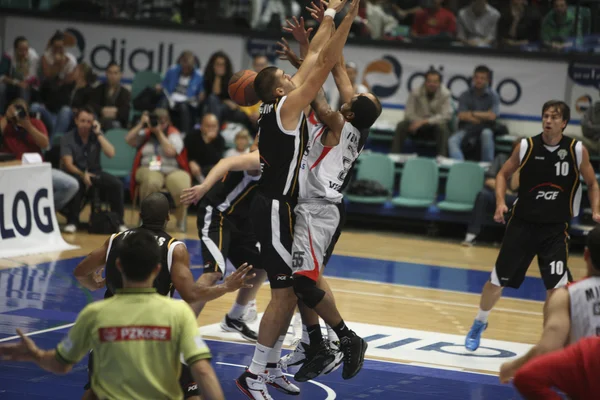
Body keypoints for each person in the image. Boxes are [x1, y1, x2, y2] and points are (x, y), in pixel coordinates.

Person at [182, 2, 364, 397]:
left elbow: (316, 56)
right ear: (280, 89)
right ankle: (262, 371)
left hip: (287, 207)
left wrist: (325, 21)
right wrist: (340, 15)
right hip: (277, 207)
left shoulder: (277, 100)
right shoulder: (288, 104)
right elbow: (327, 60)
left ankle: (273, 365)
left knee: (286, 294)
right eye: (286, 74)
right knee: (286, 292)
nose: (291, 74)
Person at [0, 229, 226, 400]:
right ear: (157, 269)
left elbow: (60, 364)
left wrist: (34, 354)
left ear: (117, 266)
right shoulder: (179, 313)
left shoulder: (95, 314)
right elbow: (204, 372)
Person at [73, 192, 254, 400]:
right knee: (192, 393)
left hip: (111, 327)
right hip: (153, 331)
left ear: (140, 214)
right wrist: (226, 287)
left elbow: (80, 272)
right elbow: (191, 295)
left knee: (96, 391)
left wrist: (95, 283)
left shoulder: (116, 240)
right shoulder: (173, 249)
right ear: (168, 216)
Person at [464, 100, 600, 352]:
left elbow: (592, 183)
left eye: (554, 117)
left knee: (557, 290)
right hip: (522, 226)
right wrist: (500, 203)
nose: (548, 120)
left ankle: (551, 341)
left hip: (555, 230)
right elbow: (503, 174)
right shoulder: (526, 145)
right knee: (496, 281)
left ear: (565, 122)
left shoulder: (576, 149)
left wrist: (596, 209)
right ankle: (479, 322)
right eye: (545, 115)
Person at [497, 225, 600, 396]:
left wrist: (512, 367)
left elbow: (547, 349)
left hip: (588, 378)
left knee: (528, 378)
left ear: (586, 255)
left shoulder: (567, 295)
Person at [0, 98, 79, 212]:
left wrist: (28, 127)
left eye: (21, 109)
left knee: (71, 185)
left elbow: (45, 144)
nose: (17, 112)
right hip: (12, 171)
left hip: (36, 170)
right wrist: (6, 117)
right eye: (15, 108)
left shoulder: (35, 123)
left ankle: (42, 211)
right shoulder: (4, 123)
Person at [60, 106, 126, 234]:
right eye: (83, 121)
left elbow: (111, 153)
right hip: (75, 172)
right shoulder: (67, 138)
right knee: (77, 183)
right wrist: (82, 174)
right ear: (76, 121)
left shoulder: (95, 136)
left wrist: (99, 133)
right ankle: (72, 222)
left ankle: (119, 222)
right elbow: (68, 164)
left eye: (89, 121)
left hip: (95, 173)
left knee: (116, 184)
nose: (85, 124)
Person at [127, 108, 191, 232]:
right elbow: (128, 140)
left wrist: (159, 133)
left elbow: (171, 151)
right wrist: (142, 124)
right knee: (151, 181)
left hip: (172, 169)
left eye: (163, 122)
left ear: (168, 121)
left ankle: (180, 218)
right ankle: (146, 218)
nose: (159, 125)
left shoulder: (174, 134)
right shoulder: (145, 133)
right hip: (149, 168)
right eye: (157, 121)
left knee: (182, 184)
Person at [391, 69, 452, 157]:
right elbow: (408, 113)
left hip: (434, 127)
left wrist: (424, 122)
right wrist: (418, 122)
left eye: (435, 82)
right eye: (429, 81)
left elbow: (446, 116)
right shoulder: (415, 92)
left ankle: (442, 159)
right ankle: (394, 156)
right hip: (416, 127)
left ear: (439, 83)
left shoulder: (445, 94)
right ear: (425, 82)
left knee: (443, 128)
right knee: (401, 125)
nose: (432, 84)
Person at [448, 65, 499, 162]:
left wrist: (471, 113)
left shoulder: (493, 96)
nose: (479, 80)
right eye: (477, 77)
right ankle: (460, 168)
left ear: (488, 80)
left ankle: (487, 168)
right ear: (473, 78)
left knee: (487, 134)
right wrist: (484, 115)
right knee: (452, 140)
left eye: (482, 78)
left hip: (485, 128)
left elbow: (492, 116)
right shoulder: (465, 94)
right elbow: (461, 116)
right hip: (467, 128)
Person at [0, 36, 39, 114]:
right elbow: (1, 76)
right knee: (1, 88)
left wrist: (24, 66)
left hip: (27, 85)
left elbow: (33, 77)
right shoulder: (8, 55)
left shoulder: (33, 56)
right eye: (21, 50)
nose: (24, 53)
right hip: (11, 84)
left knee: (23, 88)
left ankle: (23, 116)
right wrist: (16, 82)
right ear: (15, 49)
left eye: (26, 50)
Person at [91, 62, 131, 131]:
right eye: (110, 73)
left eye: (115, 73)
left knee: (112, 124)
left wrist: (116, 112)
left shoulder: (125, 92)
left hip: (117, 122)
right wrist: (102, 110)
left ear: (120, 75)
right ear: (106, 74)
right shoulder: (99, 89)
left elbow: (125, 112)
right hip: (99, 120)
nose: (112, 76)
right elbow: (92, 105)